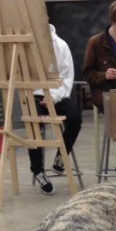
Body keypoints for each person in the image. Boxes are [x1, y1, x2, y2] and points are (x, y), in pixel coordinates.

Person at [30, 24, 82, 196]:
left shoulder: (60, 45)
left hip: (57, 93)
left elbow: (67, 78)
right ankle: (37, 170)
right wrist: (39, 93)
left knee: (75, 118)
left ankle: (61, 156)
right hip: (35, 94)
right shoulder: (26, 45)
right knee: (34, 124)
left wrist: (53, 96)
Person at [83, 0, 116, 171]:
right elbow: (87, 73)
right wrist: (104, 75)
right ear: (113, 21)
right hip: (105, 94)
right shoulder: (95, 42)